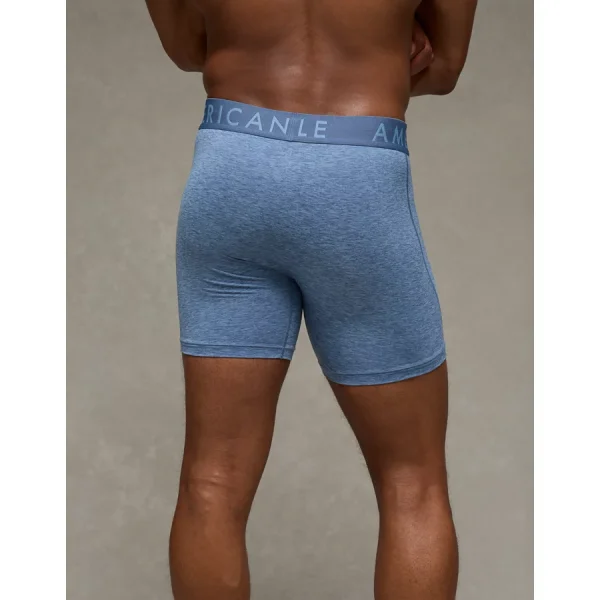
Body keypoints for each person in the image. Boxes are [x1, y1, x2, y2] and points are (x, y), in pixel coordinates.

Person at [145, 1, 477, 599]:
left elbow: (187, 48)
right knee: (412, 482)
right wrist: (378, 53)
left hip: (233, 165)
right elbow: (447, 67)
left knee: (212, 481)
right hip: (357, 168)